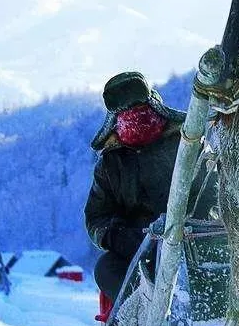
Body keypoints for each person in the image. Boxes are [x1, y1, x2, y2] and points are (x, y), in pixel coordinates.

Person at [85, 72, 217, 307]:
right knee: (106, 269)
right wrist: (121, 237)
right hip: (138, 253)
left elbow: (214, 191)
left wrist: (196, 224)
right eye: (128, 115)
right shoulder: (110, 163)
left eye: (142, 110)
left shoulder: (186, 143)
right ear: (116, 120)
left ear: (154, 106)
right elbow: (96, 218)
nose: (137, 120)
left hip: (196, 244)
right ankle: (143, 315)